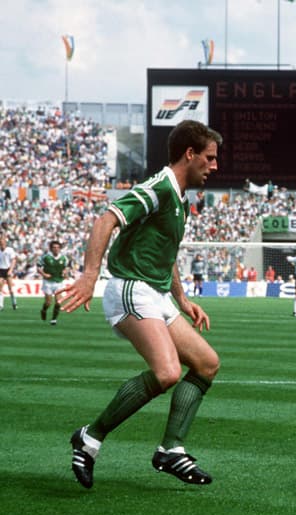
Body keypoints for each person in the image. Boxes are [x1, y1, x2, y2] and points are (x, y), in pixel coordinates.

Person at [58, 119, 223, 489]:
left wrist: (182, 298)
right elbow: (107, 219)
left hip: (157, 294)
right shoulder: (160, 186)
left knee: (207, 363)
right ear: (190, 154)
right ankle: (90, 437)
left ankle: (171, 450)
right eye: (210, 159)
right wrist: (88, 275)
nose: (215, 166)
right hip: (132, 287)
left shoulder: (179, 198)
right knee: (167, 373)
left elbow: (166, 251)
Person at [38, 240, 70, 325]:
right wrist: (44, 274)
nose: (56, 249)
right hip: (48, 282)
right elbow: (38, 267)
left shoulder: (64, 258)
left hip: (59, 282)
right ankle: (44, 310)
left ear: (60, 249)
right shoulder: (46, 257)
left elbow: (67, 267)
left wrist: (65, 272)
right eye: (54, 247)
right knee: (48, 303)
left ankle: (54, 319)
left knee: (58, 302)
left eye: (57, 247)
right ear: (51, 249)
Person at [0, 234, 18, 311]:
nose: (2, 243)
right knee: (0, 288)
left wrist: (10, 270)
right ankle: (1, 305)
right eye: (0, 242)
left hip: (7, 269)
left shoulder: (10, 250)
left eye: (3, 241)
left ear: (5, 242)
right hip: (0, 270)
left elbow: (14, 260)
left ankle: (14, 303)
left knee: (10, 289)